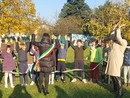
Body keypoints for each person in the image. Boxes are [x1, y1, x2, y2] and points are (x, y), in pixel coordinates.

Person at [105, 23, 127, 98]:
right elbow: (112, 36)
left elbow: (117, 36)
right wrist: (113, 28)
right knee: (112, 75)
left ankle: (120, 92)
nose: (114, 37)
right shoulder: (114, 42)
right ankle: (115, 89)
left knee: (116, 75)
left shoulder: (123, 42)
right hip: (112, 60)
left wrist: (118, 28)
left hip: (117, 61)